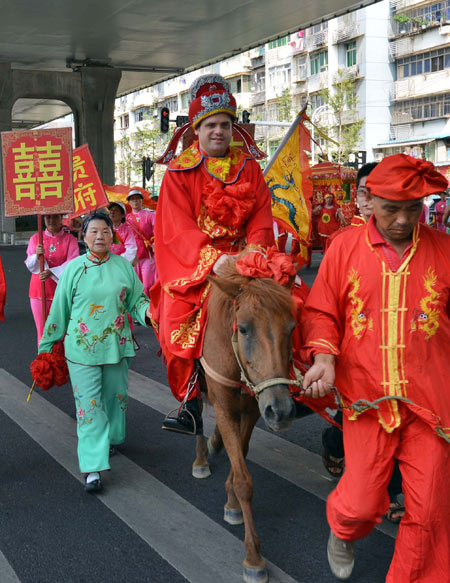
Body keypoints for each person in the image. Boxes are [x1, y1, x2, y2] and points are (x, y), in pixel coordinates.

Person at [301, 153, 450, 582]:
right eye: (391, 209)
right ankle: (344, 530)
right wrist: (325, 357)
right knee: (362, 501)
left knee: (431, 511)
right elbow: (322, 310)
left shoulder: (443, 249)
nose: (403, 220)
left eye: (412, 209)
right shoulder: (345, 247)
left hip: (431, 402)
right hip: (367, 397)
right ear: (369, 198)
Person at [151, 74, 275, 435]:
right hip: (199, 266)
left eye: (225, 124)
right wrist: (212, 259)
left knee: (293, 299)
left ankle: (292, 378)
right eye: (210, 125)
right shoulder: (178, 172)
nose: (218, 131)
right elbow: (176, 227)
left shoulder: (249, 167)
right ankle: (190, 401)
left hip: (247, 259)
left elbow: (262, 215)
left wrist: (253, 252)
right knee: (173, 318)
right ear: (197, 129)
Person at [38, 212, 152, 493]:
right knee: (89, 408)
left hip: (116, 346)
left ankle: (109, 440)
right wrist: (46, 347)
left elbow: (137, 300)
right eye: (93, 231)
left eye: (105, 231)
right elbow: (59, 311)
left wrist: (150, 313)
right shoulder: (74, 269)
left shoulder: (123, 267)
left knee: (115, 401)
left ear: (112, 235)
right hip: (81, 351)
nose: (99, 236)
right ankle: (92, 467)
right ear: (84, 236)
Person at [25, 214, 79, 343]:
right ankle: (44, 359)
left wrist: (52, 272)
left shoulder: (70, 239)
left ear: (61, 218)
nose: (51, 221)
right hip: (39, 290)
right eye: (47, 217)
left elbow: (73, 263)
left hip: (61, 290)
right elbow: (29, 264)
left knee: (63, 328)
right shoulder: (36, 238)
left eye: (55, 217)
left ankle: (63, 360)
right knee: (42, 329)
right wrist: (36, 256)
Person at [126, 188, 157, 293]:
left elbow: (157, 231)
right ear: (129, 202)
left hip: (147, 255)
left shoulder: (150, 215)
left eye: (137, 199)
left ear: (142, 200)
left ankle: (148, 306)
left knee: (147, 284)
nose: (135, 201)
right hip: (133, 256)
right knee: (134, 283)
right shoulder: (126, 218)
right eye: (132, 199)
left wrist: (155, 244)